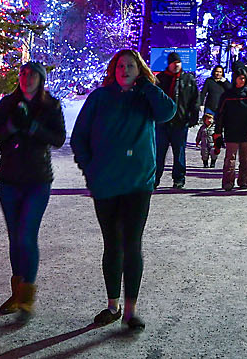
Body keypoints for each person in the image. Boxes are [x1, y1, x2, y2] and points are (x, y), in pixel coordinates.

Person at [71, 49, 176, 331]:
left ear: (140, 69)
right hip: (106, 182)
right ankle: (112, 305)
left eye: (131, 65)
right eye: (120, 65)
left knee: (132, 244)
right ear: (112, 69)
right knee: (112, 244)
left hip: (138, 182)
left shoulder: (148, 98)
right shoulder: (100, 98)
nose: (125, 70)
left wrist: (147, 87)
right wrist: (89, 169)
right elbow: (79, 137)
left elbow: (168, 112)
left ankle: (131, 310)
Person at [0, 60, 66, 317]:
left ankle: (27, 295)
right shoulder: (7, 104)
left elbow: (59, 138)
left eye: (32, 74)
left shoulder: (50, 105)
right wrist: (10, 127)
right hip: (9, 179)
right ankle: (17, 292)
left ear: (41, 79)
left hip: (37, 179)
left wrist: (33, 127)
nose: (26, 77)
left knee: (26, 235)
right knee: (14, 237)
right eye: (22, 73)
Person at [154, 52, 199, 190]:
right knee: (159, 153)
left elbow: (194, 100)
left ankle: (179, 179)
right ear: (169, 64)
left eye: (178, 62)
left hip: (180, 122)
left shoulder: (188, 79)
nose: (176, 65)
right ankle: (154, 179)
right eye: (174, 63)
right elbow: (154, 100)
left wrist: (193, 117)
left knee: (179, 152)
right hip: (163, 123)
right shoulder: (160, 79)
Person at [216, 66, 247, 190]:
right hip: (231, 132)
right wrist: (218, 132)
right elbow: (220, 114)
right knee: (230, 160)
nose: (241, 80)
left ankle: (244, 181)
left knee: (246, 160)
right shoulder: (227, 95)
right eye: (239, 78)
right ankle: (228, 182)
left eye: (243, 78)